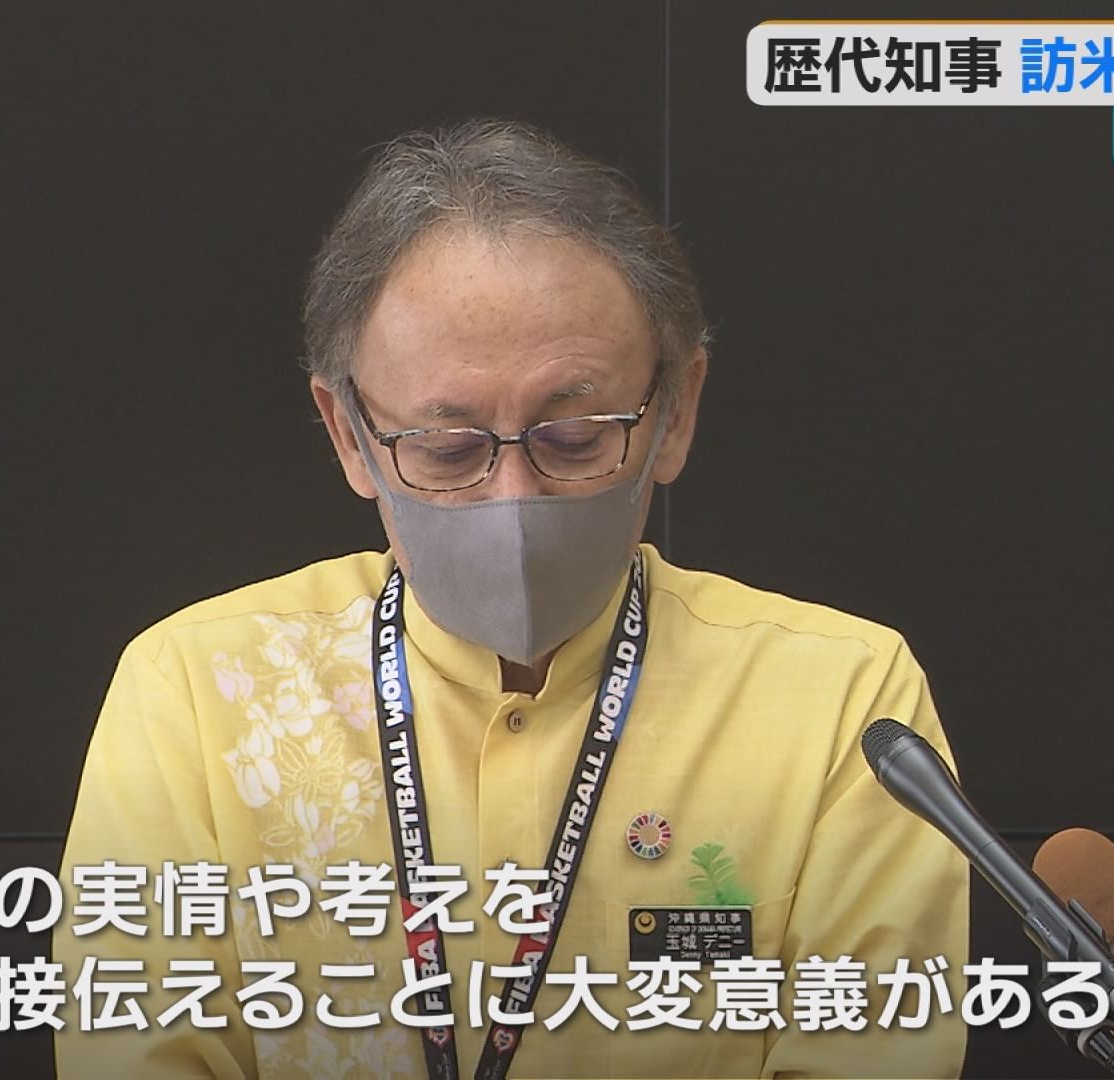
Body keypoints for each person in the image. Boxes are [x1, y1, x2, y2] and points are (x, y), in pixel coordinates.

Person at [55, 118, 967, 1079]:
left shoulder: (841, 702)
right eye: (447, 450)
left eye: (575, 438)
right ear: (348, 434)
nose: (513, 501)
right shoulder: (198, 693)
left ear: (676, 411)